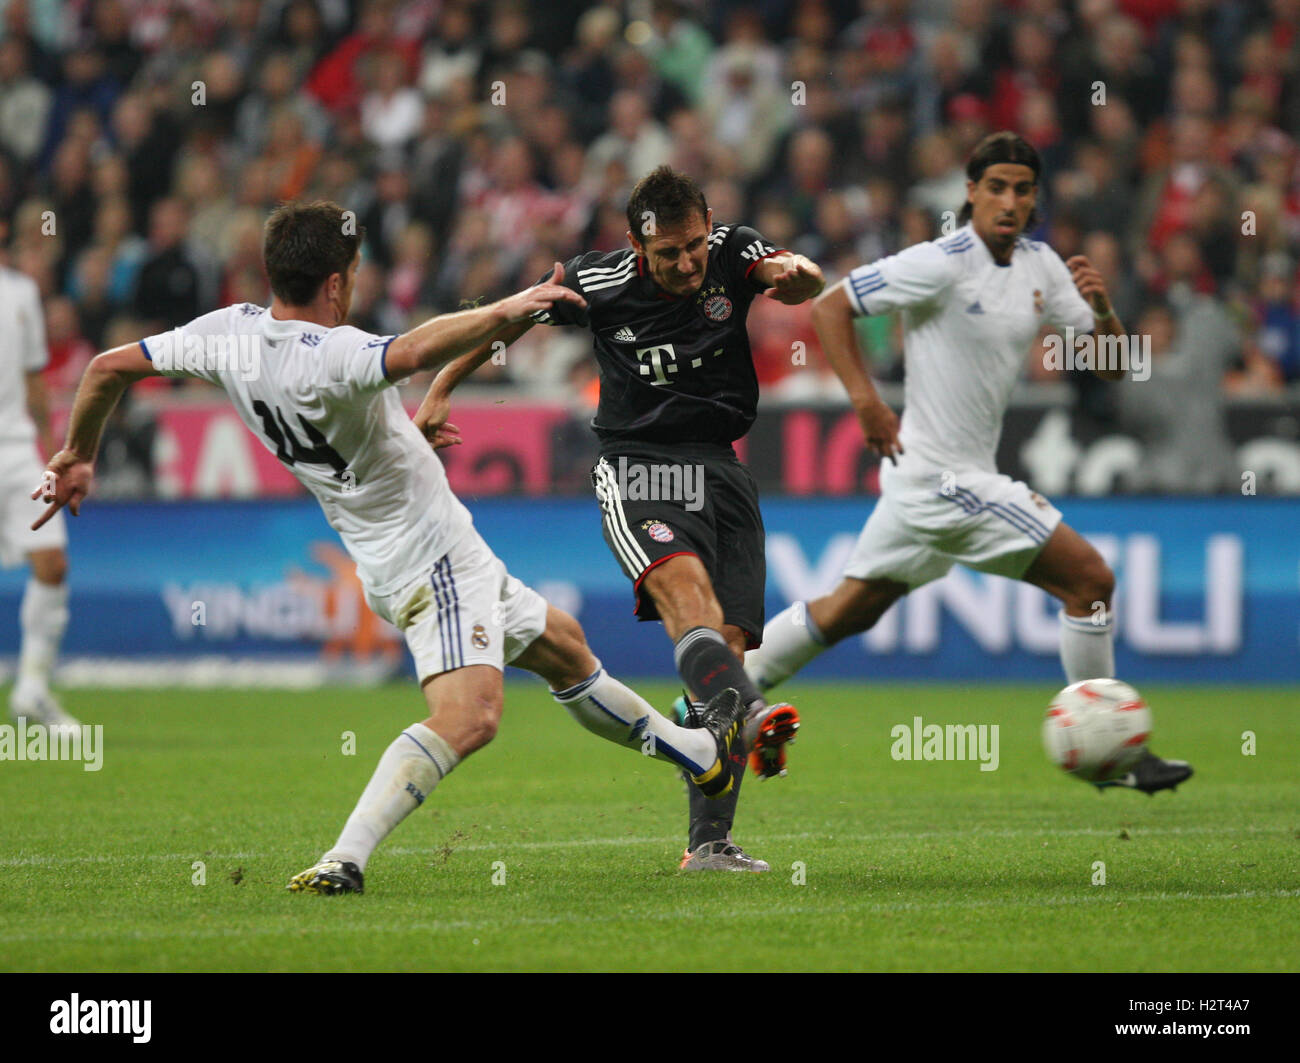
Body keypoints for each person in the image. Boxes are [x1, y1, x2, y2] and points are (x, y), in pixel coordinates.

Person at [30, 200, 750, 895]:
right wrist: (510, 307)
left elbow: (106, 368)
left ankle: (700, 757)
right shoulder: (336, 351)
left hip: (409, 548)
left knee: (563, 645)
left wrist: (76, 454)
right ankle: (344, 856)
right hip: (428, 558)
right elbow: (411, 348)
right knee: (471, 716)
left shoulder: (228, 333)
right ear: (338, 281)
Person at [744, 132, 1192, 794]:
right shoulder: (941, 261)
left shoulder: (1041, 267)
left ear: (1035, 198)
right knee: (1090, 580)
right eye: (997, 187)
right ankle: (1113, 750)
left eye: (1022, 188)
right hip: (942, 478)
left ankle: (727, 689)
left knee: (847, 610)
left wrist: (1102, 311)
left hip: (924, 481)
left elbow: (1116, 364)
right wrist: (867, 402)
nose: (1009, 201)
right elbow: (832, 302)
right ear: (972, 192)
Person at [416, 166, 822, 872]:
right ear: (639, 247)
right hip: (640, 468)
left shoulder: (732, 251)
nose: (687, 262)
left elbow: (796, 272)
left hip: (723, 471)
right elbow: (514, 315)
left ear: (707, 225)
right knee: (689, 602)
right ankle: (753, 713)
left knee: (723, 652)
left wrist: (798, 275)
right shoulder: (596, 282)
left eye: (693, 244)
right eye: (669, 253)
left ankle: (709, 845)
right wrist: (444, 384)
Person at [1, 257, 75, 730]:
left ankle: (31, 688)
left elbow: (34, 379)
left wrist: (54, 454)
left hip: (15, 447)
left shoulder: (22, 291)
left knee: (52, 562)